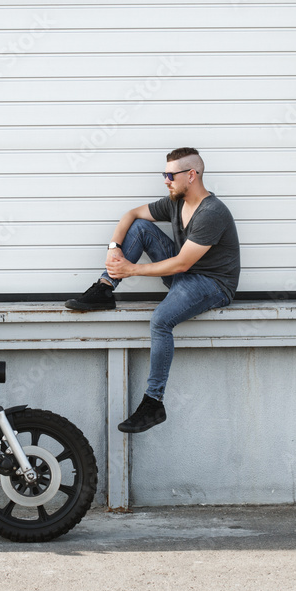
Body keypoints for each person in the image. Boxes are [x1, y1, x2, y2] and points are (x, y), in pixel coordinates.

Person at [65, 147, 240, 433]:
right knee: (140, 227)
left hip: (212, 284)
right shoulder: (175, 202)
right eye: (164, 174)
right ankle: (104, 288)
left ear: (191, 175)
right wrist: (114, 249)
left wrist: (131, 269)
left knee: (161, 320)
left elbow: (182, 264)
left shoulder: (212, 213)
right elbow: (131, 214)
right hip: (184, 275)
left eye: (171, 175)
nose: (166, 180)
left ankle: (153, 403)